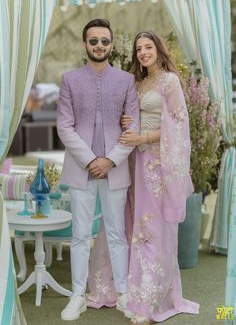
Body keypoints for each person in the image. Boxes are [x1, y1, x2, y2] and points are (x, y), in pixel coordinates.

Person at [88, 30, 200, 324]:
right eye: (139, 48)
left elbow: (178, 126)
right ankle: (125, 290)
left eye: (148, 47)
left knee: (153, 230)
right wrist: (128, 122)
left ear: (159, 50)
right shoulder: (138, 82)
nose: (142, 52)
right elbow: (135, 117)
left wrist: (143, 136)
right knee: (130, 225)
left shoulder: (169, 81)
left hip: (158, 165)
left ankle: (151, 302)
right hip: (135, 162)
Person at [57, 19, 140, 321]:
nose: (99, 46)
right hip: (82, 170)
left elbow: (135, 126)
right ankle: (78, 295)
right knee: (80, 235)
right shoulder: (68, 79)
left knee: (117, 234)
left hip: (114, 170)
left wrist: (111, 160)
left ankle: (123, 294)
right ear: (85, 45)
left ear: (111, 45)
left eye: (104, 41)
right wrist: (92, 160)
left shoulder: (126, 81)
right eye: (94, 41)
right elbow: (64, 126)